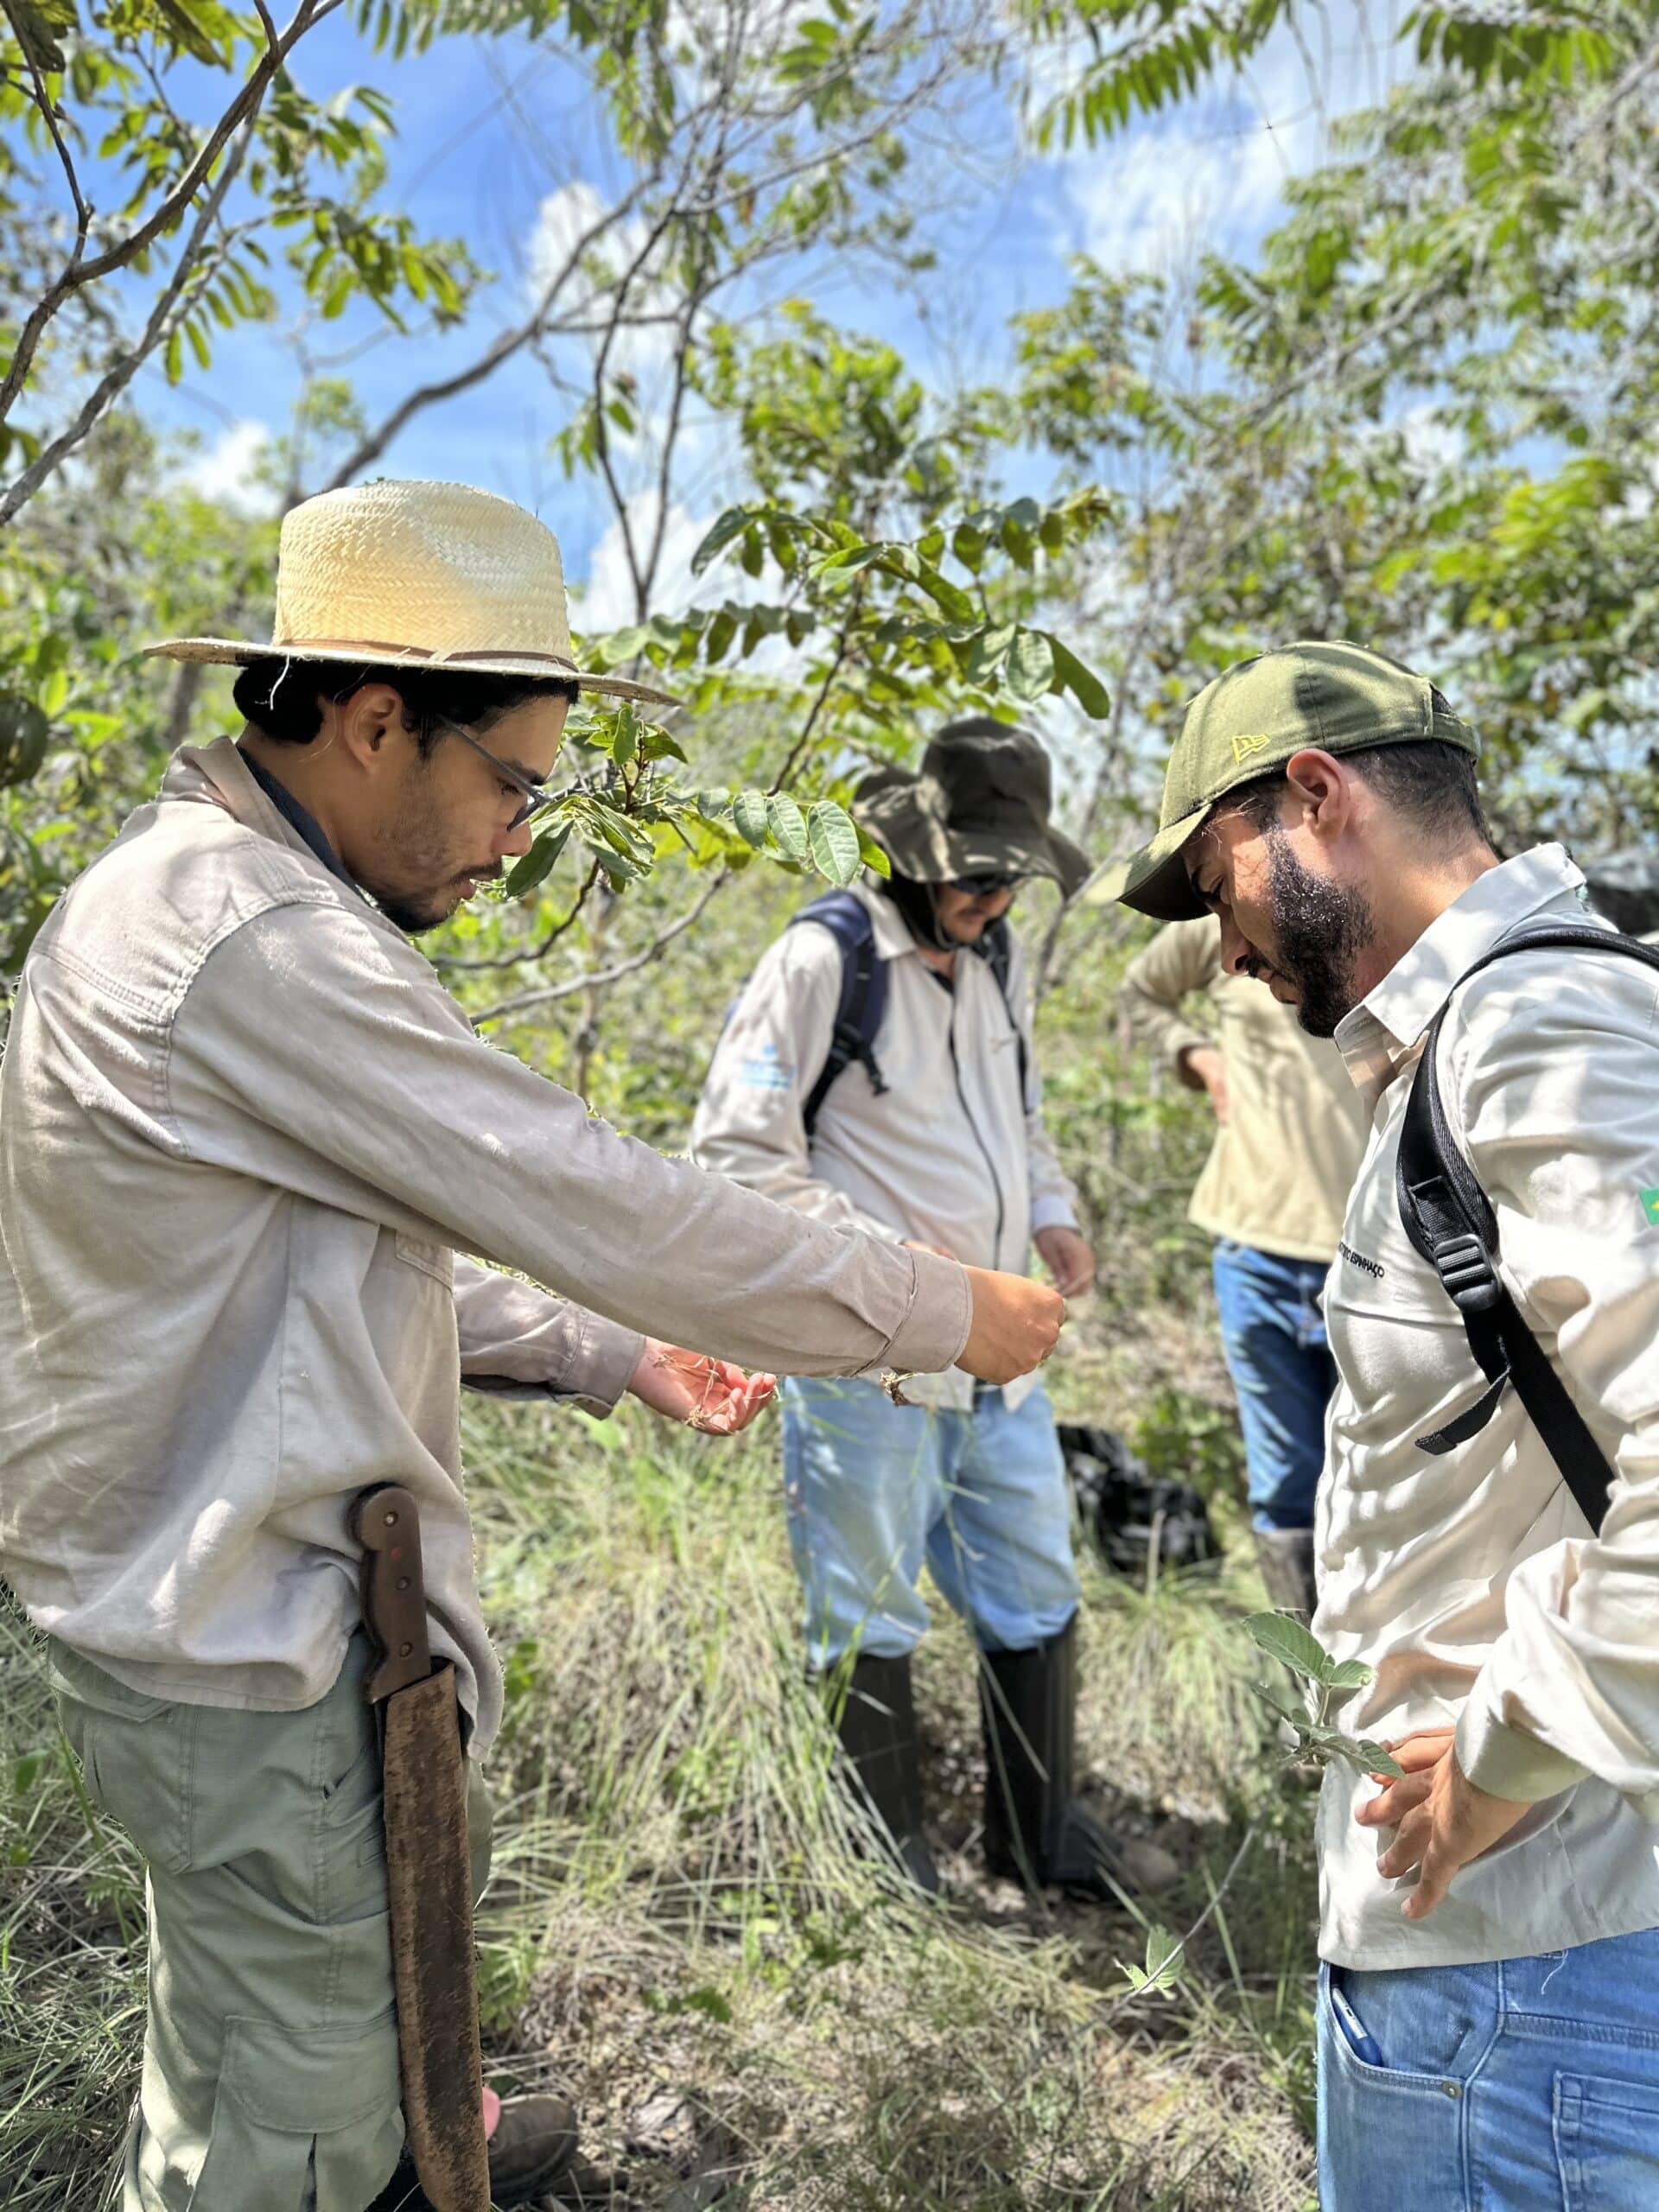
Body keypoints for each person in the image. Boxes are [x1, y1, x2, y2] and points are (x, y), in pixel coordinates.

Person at [0, 480, 1065, 2212]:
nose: (516, 837)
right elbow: (594, 1193)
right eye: (511, 782)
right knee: (283, 2155)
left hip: (222, 1623)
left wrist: (605, 1352)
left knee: (284, 2063)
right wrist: (945, 1309)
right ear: (373, 723)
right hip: (245, 1647)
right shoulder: (254, 935)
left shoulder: (202, 896)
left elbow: (318, 1253)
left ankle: (407, 2134)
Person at [1109, 638, 1659, 2211]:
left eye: (1217, 888)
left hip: (1534, 1978)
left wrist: (1503, 1754)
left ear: (1316, 796)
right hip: (1509, 1966)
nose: (1225, 951)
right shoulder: (1475, 1035)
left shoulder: (1535, 1030)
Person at [693, 719, 1173, 1900]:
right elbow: (737, 1155)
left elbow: (1021, 1119)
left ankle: (1041, 1843)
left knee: (1037, 1579)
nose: (993, 897)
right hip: (871, 1358)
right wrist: (900, 1270)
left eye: (1011, 878)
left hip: (1003, 1355)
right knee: (866, 1603)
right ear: (915, 851)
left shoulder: (996, 957)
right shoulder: (825, 958)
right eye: (974, 874)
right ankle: (885, 1872)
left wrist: (1053, 1213)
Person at [1118, 916, 1368, 1616]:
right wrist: (1199, 1058)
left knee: (1381, 1481)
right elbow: (1141, 993)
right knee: (1285, 1485)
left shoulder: (1377, 904)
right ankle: (1307, 1676)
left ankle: (1385, 1674)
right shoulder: (1223, 925)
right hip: (1254, 1249)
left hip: (1375, 1257)